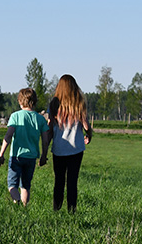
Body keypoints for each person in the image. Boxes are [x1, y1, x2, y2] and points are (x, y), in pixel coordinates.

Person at [47, 74, 93, 213]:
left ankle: (56, 209)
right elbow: (86, 125)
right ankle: (72, 211)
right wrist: (89, 135)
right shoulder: (79, 104)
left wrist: (45, 148)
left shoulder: (54, 105)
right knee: (72, 181)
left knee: (59, 181)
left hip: (59, 149)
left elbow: (50, 129)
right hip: (76, 149)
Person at [0, 88, 50, 206]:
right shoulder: (40, 119)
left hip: (17, 156)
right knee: (26, 186)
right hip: (31, 157)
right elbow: (45, 140)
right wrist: (44, 156)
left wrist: (1, 154)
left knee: (12, 185)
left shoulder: (15, 116)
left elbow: (8, 136)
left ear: (20, 101)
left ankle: (16, 201)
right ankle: (24, 208)